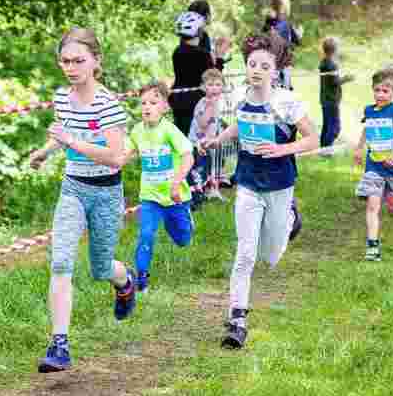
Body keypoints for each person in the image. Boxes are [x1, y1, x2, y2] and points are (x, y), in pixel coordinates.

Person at [199, 34, 319, 349]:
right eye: (252, 64)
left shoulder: (286, 101)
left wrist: (282, 148)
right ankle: (237, 320)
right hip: (248, 182)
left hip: (279, 184)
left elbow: (312, 139)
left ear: (275, 71)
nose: (256, 70)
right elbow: (239, 125)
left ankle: (290, 218)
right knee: (245, 253)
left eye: (264, 66)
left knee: (271, 256)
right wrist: (217, 140)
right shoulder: (240, 96)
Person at [29, 27, 136, 373]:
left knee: (101, 268)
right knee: (61, 262)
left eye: (78, 60)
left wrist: (71, 142)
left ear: (95, 61)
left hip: (106, 193)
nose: (71, 67)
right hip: (73, 188)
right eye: (65, 61)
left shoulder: (108, 105)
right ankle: (59, 344)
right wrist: (45, 152)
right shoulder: (62, 97)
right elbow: (64, 132)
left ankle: (125, 281)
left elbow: (116, 158)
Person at [123, 81, 194, 293]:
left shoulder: (169, 130)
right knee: (146, 234)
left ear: (165, 106)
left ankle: (186, 222)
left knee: (182, 239)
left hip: (175, 197)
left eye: (153, 103)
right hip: (150, 197)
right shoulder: (137, 131)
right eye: (143, 103)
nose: (147, 107)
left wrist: (176, 184)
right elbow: (124, 155)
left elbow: (188, 157)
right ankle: (141, 279)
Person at [353, 68, 393, 262]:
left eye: (385, 91)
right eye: (377, 90)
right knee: (372, 205)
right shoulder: (369, 110)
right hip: (374, 166)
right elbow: (367, 129)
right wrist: (359, 148)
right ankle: (373, 247)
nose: (380, 95)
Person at [169, 11, 230, 137]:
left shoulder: (177, 52)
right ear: (199, 31)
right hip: (197, 103)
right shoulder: (202, 55)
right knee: (198, 138)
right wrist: (219, 57)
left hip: (178, 101)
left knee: (182, 137)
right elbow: (213, 77)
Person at [188, 68, 226, 205]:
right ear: (203, 87)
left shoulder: (220, 103)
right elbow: (203, 124)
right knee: (199, 169)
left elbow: (217, 122)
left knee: (212, 166)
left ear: (223, 87)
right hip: (198, 143)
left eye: (218, 84)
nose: (214, 88)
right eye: (210, 85)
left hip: (211, 142)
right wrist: (210, 107)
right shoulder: (203, 103)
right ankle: (195, 195)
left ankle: (211, 190)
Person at [319, 37, 354, 153]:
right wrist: (347, 78)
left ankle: (323, 149)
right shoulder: (331, 65)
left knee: (327, 125)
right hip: (331, 99)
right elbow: (334, 82)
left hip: (325, 99)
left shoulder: (324, 62)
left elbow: (331, 80)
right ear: (335, 50)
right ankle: (327, 149)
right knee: (335, 127)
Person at [262, 0, 302, 90]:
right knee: (284, 89)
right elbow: (297, 42)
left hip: (270, 62)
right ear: (283, 10)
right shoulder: (286, 25)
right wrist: (299, 34)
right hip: (283, 63)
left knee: (271, 88)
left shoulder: (267, 25)